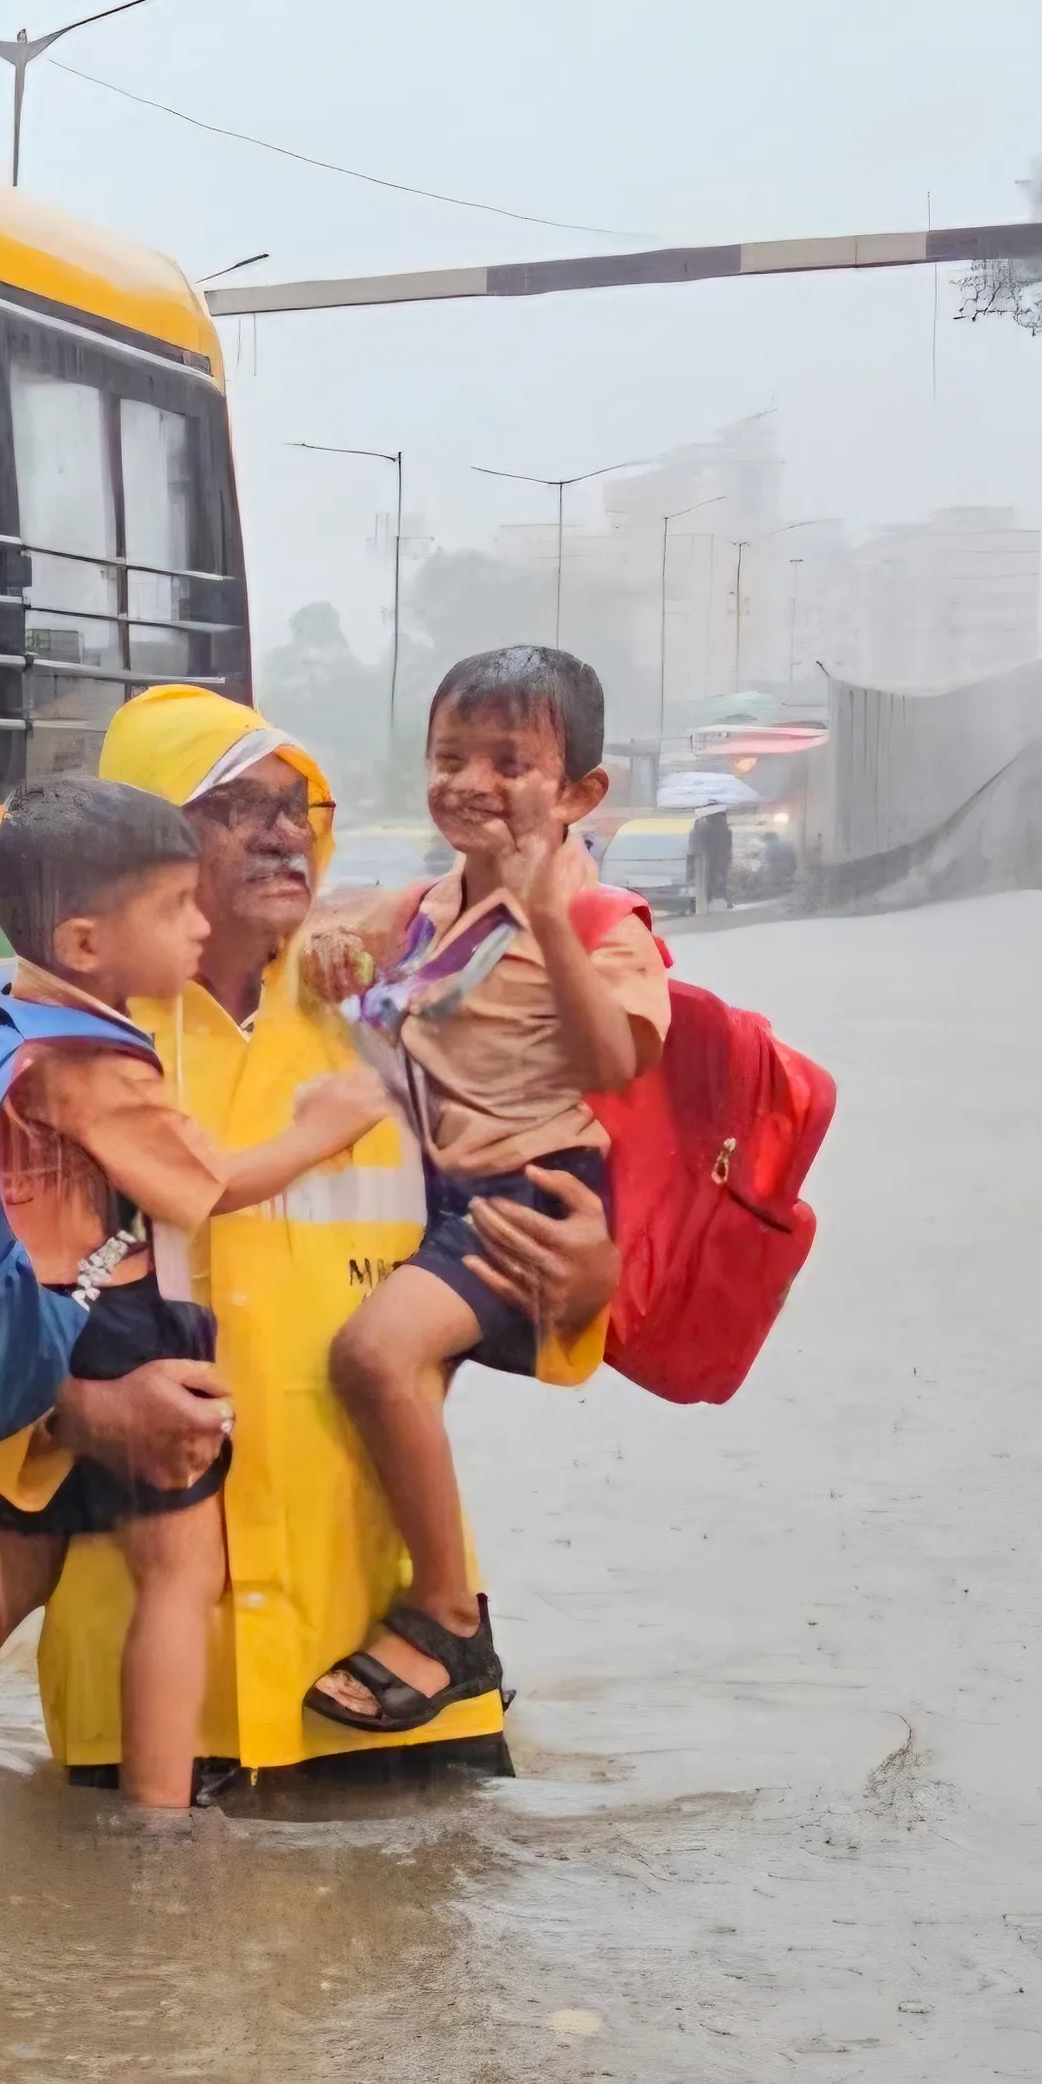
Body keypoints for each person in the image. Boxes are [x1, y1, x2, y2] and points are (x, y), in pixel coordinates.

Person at [0, 685, 619, 1784]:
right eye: (236, 805)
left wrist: (587, 1279)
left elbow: (545, 1164)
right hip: (148, 1709)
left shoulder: (386, 1006)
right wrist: (81, 1413)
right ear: (142, 836)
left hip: (382, 1677)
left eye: (297, 805)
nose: (284, 833)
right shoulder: (39, 1046)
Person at [0, 778, 390, 1814]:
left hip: (39, 1321)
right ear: (84, 943)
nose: (200, 922)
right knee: (179, 1573)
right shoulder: (99, 1065)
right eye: (175, 907)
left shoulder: (1, 1010)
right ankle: (157, 1822)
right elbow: (204, 1190)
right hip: (117, 1328)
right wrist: (319, 1130)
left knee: (18, 1572)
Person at [301, 648, 668, 1736]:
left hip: (530, 1193)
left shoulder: (606, 922)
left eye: (507, 761)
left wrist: (546, 917)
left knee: (368, 1358)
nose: (468, 782)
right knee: (386, 1402)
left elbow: (610, 1065)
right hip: (433, 1185)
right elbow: (319, 945)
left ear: (579, 793)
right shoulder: (417, 909)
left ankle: (450, 1620)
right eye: (447, 755)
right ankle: (390, 1612)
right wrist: (326, 950)